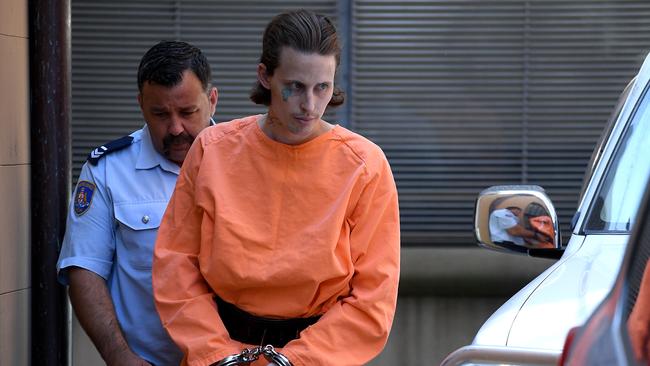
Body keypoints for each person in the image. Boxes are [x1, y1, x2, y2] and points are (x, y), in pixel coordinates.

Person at [152, 9, 400, 366]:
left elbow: (372, 297)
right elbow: (175, 266)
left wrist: (296, 361)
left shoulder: (365, 165)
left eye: (322, 87)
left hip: (321, 355)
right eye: (296, 86)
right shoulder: (212, 149)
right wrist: (217, 354)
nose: (310, 105)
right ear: (265, 76)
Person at [56, 40, 218, 366]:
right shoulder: (108, 169)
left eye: (188, 112)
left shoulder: (247, 162)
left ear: (212, 101)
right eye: (160, 114)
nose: (175, 128)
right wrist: (120, 357)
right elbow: (84, 269)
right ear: (141, 104)